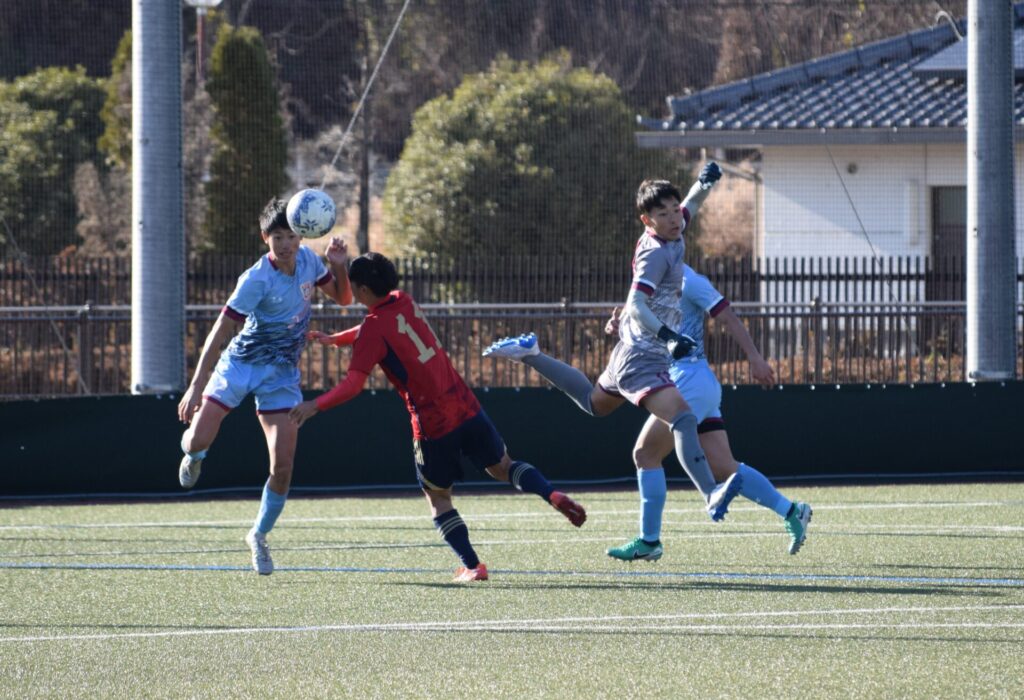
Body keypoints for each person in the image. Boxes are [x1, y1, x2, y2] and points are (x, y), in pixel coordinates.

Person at [290, 252, 587, 583]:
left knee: (438, 497)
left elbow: (353, 384)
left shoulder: (374, 329)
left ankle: (472, 566)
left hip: (433, 425)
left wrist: (314, 405)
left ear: (361, 290)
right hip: (465, 403)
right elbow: (380, 326)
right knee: (504, 466)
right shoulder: (403, 300)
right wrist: (338, 339)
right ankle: (551, 494)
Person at [484, 166, 744, 522]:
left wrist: (704, 183)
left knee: (595, 403)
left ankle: (532, 354)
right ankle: (711, 493)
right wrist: (669, 338)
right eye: (663, 214)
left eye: (673, 210)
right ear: (647, 220)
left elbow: (690, 206)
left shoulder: (673, 228)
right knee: (683, 418)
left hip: (634, 349)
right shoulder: (655, 254)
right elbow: (636, 305)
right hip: (642, 356)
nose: (673, 218)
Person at [176, 197, 353, 576]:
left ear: (301, 236)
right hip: (240, 365)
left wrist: (339, 265)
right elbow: (221, 329)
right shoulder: (255, 279)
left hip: (281, 374)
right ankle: (193, 454)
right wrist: (196, 385)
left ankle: (257, 535)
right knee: (198, 439)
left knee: (283, 466)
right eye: (277, 237)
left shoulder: (310, 262)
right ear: (265, 238)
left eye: (291, 236)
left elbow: (343, 299)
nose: (286, 244)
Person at [602, 263, 812, 562]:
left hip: (688, 380)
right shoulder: (651, 281)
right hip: (691, 382)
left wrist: (755, 358)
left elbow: (728, 317)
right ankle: (792, 512)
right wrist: (618, 327)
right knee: (724, 466)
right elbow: (643, 325)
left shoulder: (689, 281)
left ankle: (649, 541)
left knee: (646, 454)